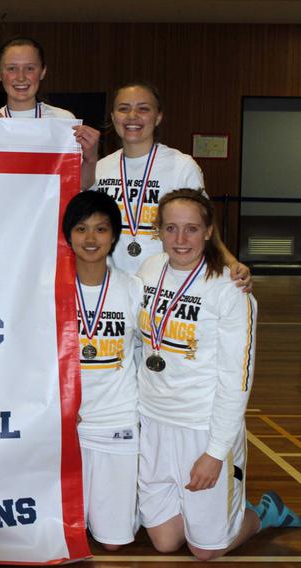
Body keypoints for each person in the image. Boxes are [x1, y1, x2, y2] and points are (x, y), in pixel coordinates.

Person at [136, 189, 299, 561]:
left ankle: (262, 514)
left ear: (210, 231)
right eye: (171, 228)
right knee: (164, 540)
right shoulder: (149, 271)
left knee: (206, 550)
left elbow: (236, 380)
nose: (181, 240)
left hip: (203, 426)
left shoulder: (231, 290)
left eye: (192, 229)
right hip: (154, 422)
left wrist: (214, 452)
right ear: (157, 230)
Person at [90, 82, 250, 289]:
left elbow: (203, 223)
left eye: (143, 108)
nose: (132, 116)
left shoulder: (182, 166)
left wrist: (231, 261)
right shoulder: (99, 168)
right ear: (113, 117)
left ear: (158, 117)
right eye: (124, 108)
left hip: (165, 282)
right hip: (113, 281)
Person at [63, 191, 141, 550]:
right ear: (68, 234)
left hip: (116, 420)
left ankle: (136, 505)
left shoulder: (133, 288)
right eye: (81, 229)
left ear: (114, 235)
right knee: (65, 534)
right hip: (67, 425)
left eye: (100, 229)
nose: (91, 239)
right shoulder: (52, 290)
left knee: (112, 542)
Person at [0, 36, 99, 189]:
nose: (21, 77)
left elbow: (80, 185)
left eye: (30, 68)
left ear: (43, 72)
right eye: (11, 68)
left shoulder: (63, 121)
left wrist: (91, 159)